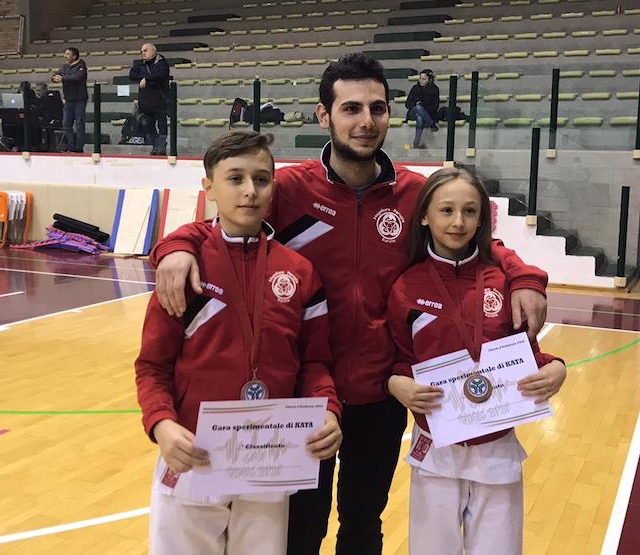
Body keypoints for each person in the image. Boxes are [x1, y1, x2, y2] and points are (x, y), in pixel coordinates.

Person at [149, 53, 549, 555]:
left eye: (377, 108)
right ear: (325, 115)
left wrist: (525, 278)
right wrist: (174, 247)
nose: (366, 121)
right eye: (351, 108)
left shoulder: (413, 195)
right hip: (303, 397)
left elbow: (479, 241)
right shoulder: (289, 190)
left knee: (363, 523)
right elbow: (223, 223)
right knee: (301, 531)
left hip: (381, 393)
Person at [135, 130, 343, 554]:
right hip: (193, 453)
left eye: (261, 179)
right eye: (235, 178)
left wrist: (329, 410)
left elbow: (314, 364)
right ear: (209, 187)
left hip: (270, 460)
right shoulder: (183, 269)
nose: (250, 191)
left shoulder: (299, 272)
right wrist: (162, 424)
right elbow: (152, 366)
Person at [386, 167, 567, 555]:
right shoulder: (405, 287)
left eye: (470, 211)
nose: (458, 222)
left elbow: (525, 352)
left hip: (496, 448)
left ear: (482, 218)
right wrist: (396, 383)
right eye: (446, 210)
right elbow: (401, 359)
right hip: (435, 446)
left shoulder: (503, 281)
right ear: (424, 216)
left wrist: (555, 367)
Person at [129, 43, 170, 156]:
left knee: (162, 125)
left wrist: (146, 79)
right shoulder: (139, 64)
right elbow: (132, 75)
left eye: (145, 50)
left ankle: (161, 146)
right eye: (142, 51)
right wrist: (144, 78)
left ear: (153, 51)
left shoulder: (162, 63)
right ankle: (155, 145)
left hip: (160, 100)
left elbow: (161, 75)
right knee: (147, 124)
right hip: (145, 102)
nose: (143, 53)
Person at [52, 46, 88, 153]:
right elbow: (56, 74)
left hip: (79, 99)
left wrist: (63, 78)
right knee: (66, 123)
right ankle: (71, 145)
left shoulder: (81, 66)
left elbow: (77, 77)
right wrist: (54, 77)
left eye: (68, 54)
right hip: (68, 99)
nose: (65, 56)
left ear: (74, 56)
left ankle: (79, 147)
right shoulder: (64, 66)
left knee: (79, 124)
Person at [404, 69, 440, 149]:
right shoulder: (415, 88)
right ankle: (432, 124)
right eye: (420, 78)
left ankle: (416, 143)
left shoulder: (434, 89)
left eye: (424, 79)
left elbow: (435, 106)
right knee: (418, 107)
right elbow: (407, 104)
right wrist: (416, 104)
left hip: (427, 113)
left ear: (429, 80)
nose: (421, 81)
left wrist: (423, 109)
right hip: (413, 112)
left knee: (420, 118)